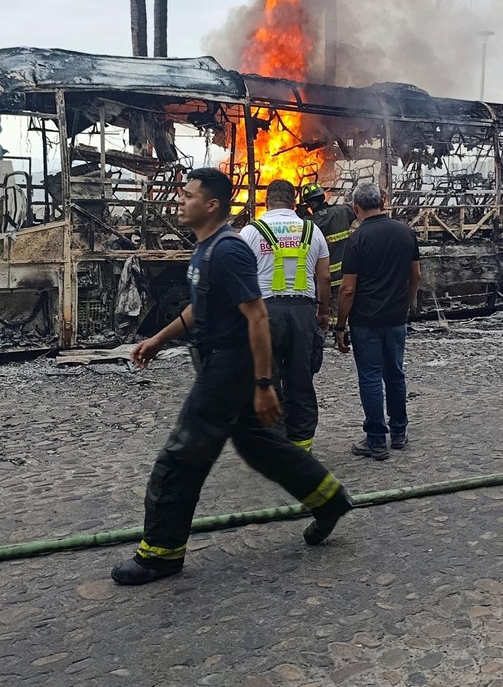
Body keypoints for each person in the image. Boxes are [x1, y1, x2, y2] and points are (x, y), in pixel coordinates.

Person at [111, 168, 353, 585]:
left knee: (180, 458)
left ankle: (161, 553)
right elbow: (198, 309)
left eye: (188, 196)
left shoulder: (229, 250)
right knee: (263, 448)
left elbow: (256, 313)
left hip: (226, 367)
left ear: (212, 205)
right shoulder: (207, 250)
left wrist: (262, 384)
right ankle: (328, 500)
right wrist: (157, 339)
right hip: (218, 363)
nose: (180, 202)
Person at [239, 179, 331, 453]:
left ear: (267, 201)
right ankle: (301, 447)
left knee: (267, 379)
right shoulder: (312, 230)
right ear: (294, 203)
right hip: (302, 314)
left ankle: (275, 447)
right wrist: (324, 312)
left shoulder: (251, 232)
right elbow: (324, 276)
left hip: (264, 314)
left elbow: (240, 278)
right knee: (300, 380)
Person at [335, 182, 421, 461]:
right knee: (394, 374)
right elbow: (415, 276)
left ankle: (376, 440)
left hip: (365, 321)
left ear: (356, 207)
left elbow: (348, 289)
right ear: (383, 201)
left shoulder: (357, 240)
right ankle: (398, 432)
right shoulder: (406, 232)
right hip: (396, 319)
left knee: (371, 377)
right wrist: (405, 305)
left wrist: (340, 325)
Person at [302, 183, 356, 320]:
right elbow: (354, 210)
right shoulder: (343, 211)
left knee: (320, 311)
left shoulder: (308, 223)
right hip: (344, 274)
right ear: (323, 196)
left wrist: (300, 214)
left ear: (310, 203)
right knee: (342, 311)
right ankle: (341, 335)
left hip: (320, 279)